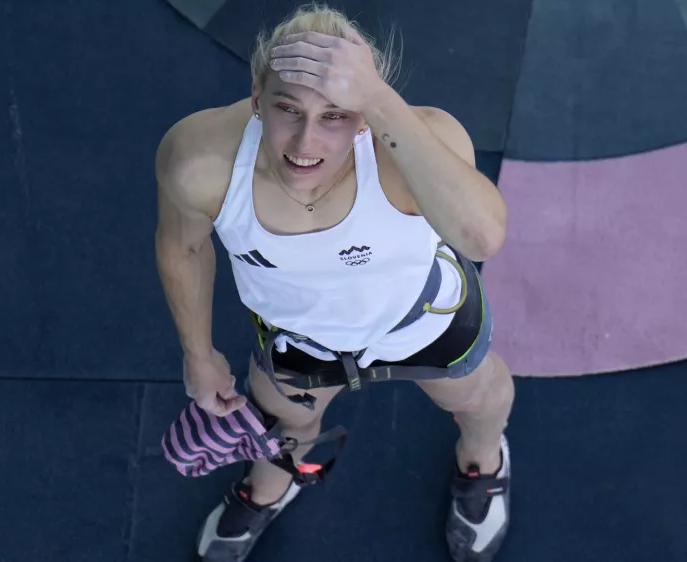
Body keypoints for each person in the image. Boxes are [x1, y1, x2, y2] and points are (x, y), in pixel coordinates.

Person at [154, 4, 514, 561]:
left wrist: (377, 98)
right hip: (300, 342)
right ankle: (274, 484)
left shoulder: (416, 147)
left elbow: (482, 238)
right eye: (287, 108)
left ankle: (484, 461)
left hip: (424, 322)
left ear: (366, 116)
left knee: (478, 399)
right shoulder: (201, 162)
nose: (305, 143)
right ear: (257, 96)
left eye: (336, 116)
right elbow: (184, 246)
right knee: (287, 423)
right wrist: (197, 356)